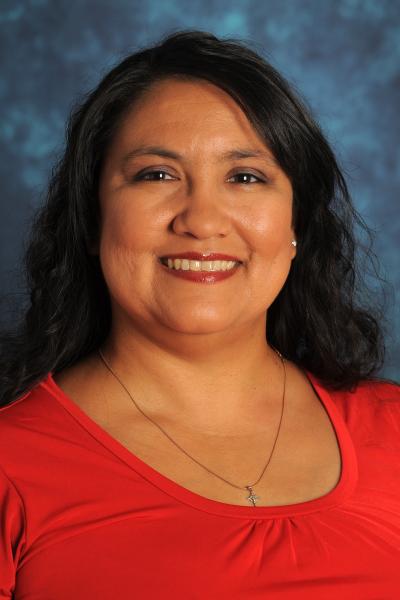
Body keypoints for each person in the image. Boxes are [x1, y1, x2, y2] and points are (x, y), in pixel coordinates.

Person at [0, 29, 399, 599]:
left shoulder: (394, 429)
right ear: (91, 219)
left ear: (296, 226)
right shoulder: (10, 461)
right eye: (156, 175)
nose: (202, 220)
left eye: (245, 177)